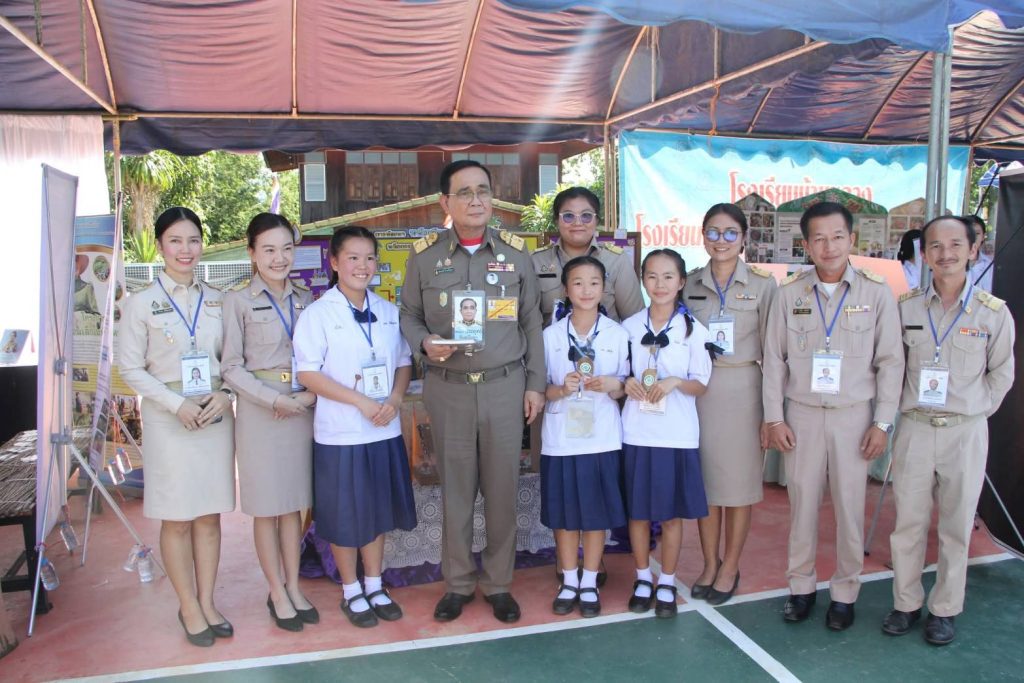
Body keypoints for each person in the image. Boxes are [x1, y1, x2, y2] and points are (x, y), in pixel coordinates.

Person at [400, 159, 545, 624]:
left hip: (505, 388)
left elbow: (532, 323)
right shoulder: (424, 257)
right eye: (464, 192)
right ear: (445, 202)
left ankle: (499, 584)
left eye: (483, 190)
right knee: (457, 493)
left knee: (502, 493)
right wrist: (424, 342)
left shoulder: (516, 255)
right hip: (450, 390)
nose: (476, 199)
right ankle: (458, 584)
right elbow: (408, 315)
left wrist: (536, 384)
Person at [763, 201, 904, 631]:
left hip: (854, 418)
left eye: (838, 237)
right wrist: (774, 418)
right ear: (806, 245)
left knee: (849, 508)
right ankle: (801, 587)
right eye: (819, 239)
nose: (829, 247)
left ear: (852, 240)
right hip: (802, 416)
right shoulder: (789, 293)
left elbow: (891, 362)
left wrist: (882, 423)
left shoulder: (876, 293)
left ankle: (845, 593)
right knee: (802, 505)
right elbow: (774, 361)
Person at [882, 216, 1015, 645]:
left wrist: (974, 412)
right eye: (935, 246)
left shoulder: (993, 313)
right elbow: (893, 367)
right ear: (924, 254)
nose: (946, 254)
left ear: (973, 250)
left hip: (965, 432)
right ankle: (905, 603)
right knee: (908, 524)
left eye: (956, 244)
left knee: (956, 526)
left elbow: (1002, 374)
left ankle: (945, 609)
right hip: (916, 429)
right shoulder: (906, 308)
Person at [118, 207, 235, 647]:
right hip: (169, 419)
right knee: (178, 517)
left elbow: (235, 361)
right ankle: (188, 606)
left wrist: (227, 394)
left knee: (209, 515)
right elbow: (130, 368)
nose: (186, 250)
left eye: (193, 240)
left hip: (214, 414)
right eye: (175, 240)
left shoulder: (221, 300)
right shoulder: (140, 303)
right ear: (160, 246)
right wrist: (175, 404)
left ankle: (208, 601)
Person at [295, 226, 417, 629]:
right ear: (334, 262)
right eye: (352, 257)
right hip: (341, 433)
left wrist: (395, 399)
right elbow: (308, 373)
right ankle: (351, 589)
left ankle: (375, 584)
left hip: (383, 429)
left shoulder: (388, 311)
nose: (362, 266)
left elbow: (403, 362)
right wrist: (360, 401)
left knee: (377, 510)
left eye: (369, 258)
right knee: (346, 514)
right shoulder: (317, 314)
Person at [221, 212, 318, 632]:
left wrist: (308, 397)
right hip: (261, 413)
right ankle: (275, 591)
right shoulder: (238, 301)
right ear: (252, 253)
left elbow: (321, 357)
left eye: (286, 249)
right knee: (266, 507)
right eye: (269, 250)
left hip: (301, 408)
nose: (280, 258)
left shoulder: (307, 299)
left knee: (294, 505)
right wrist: (272, 399)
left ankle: (294, 586)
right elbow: (230, 367)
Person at [683, 203, 777, 606]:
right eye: (713, 232)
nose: (720, 240)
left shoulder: (763, 285)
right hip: (698, 392)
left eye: (730, 233)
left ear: (743, 238)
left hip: (743, 390)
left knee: (738, 488)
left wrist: (772, 414)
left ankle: (730, 565)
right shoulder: (689, 283)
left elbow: (775, 352)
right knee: (705, 486)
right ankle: (709, 562)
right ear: (702, 235)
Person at [621, 249, 712, 619]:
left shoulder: (693, 330)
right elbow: (618, 375)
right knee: (638, 513)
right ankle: (643, 578)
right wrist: (626, 383)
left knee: (672, 515)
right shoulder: (628, 327)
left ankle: (668, 581)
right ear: (643, 280)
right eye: (652, 276)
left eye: (668, 276)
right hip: (636, 433)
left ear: (681, 281)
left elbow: (701, 384)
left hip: (676, 435)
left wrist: (675, 381)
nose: (660, 284)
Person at [541, 256, 629, 618]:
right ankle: (569, 580)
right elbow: (542, 390)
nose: (586, 290)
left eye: (594, 283)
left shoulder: (617, 334)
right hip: (561, 438)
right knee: (564, 516)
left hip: (602, 437)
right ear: (565, 289)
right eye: (577, 283)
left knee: (595, 514)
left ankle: (590, 580)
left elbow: (625, 386)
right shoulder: (549, 336)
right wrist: (562, 390)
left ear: (604, 288)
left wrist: (611, 385)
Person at [531, 186, 644, 326]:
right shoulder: (536, 261)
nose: (577, 223)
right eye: (568, 216)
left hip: (605, 340)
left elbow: (635, 320)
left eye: (586, 216)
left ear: (596, 221)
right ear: (556, 221)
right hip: (551, 340)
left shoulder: (616, 260)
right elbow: (527, 320)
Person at [965, 215, 994, 292]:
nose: (973, 237)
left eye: (977, 233)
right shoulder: (950, 262)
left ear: (983, 236)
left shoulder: (990, 265)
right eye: (969, 233)